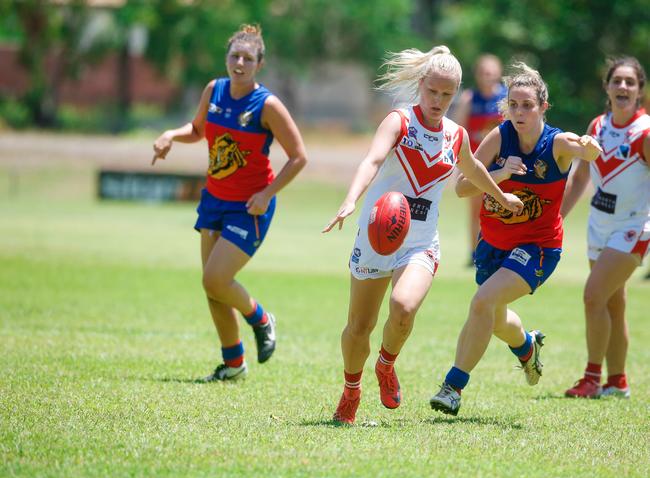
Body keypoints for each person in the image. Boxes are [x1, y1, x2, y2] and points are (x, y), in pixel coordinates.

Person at [322, 45, 524, 425]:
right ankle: (351, 390)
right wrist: (351, 200)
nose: (439, 101)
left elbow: (475, 169)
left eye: (447, 95)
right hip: (376, 236)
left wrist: (500, 195)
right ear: (421, 85)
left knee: (403, 307)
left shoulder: (455, 135)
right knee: (358, 327)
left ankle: (386, 364)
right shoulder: (399, 121)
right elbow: (373, 159)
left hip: (419, 243)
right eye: (433, 91)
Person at [429, 62, 603, 416]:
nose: (519, 112)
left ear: (543, 108)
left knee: (481, 302)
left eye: (527, 105)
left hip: (537, 248)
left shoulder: (556, 144)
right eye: (514, 104)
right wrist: (500, 171)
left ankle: (453, 387)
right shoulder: (499, 136)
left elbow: (585, 150)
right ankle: (526, 347)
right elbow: (462, 187)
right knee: (494, 318)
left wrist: (588, 147)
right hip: (492, 245)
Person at [151, 24, 307, 381]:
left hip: (249, 206)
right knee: (213, 288)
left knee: (216, 279)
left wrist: (267, 195)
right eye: (234, 56)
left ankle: (261, 318)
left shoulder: (266, 105)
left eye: (248, 58)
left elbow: (299, 157)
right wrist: (170, 135)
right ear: (227, 58)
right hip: (214, 201)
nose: (239, 63)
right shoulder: (215, 90)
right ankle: (233, 364)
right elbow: (198, 129)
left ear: (259, 64)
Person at [561, 57, 649, 399]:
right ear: (607, 87)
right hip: (599, 225)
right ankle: (618, 381)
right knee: (614, 303)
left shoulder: (645, 133)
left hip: (633, 227)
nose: (623, 87)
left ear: (639, 89)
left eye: (630, 82)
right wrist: (557, 218)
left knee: (592, 295)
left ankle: (591, 379)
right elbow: (581, 177)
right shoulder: (596, 126)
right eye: (618, 81)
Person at [452, 54, 507, 265]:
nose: (488, 77)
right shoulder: (469, 98)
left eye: (492, 72)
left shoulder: (505, 98)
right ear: (477, 74)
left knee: (499, 208)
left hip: (499, 163)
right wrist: (459, 163)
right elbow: (459, 129)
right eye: (484, 72)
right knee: (476, 209)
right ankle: (474, 253)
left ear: (498, 74)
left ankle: (499, 251)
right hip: (476, 163)